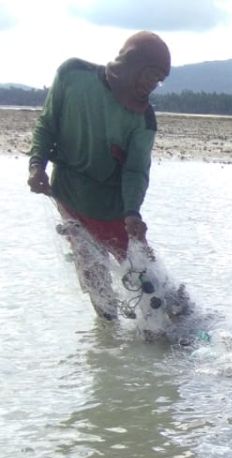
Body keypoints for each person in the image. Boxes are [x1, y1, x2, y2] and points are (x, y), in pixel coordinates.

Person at [27, 31, 171, 320]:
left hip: (114, 208)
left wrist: (132, 212)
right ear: (132, 64)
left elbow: (136, 171)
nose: (153, 85)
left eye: (160, 80)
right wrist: (36, 165)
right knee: (95, 277)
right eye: (151, 75)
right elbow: (47, 123)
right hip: (69, 196)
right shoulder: (72, 75)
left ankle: (173, 326)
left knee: (147, 282)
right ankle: (107, 339)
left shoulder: (142, 119)